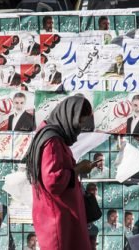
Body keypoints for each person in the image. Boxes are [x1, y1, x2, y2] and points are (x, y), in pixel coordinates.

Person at [26, 96, 96, 250]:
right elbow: (52, 181)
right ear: (69, 117)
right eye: (78, 123)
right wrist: (78, 169)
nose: (78, 129)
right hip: (58, 220)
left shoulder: (49, 133)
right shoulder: (53, 141)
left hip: (59, 217)